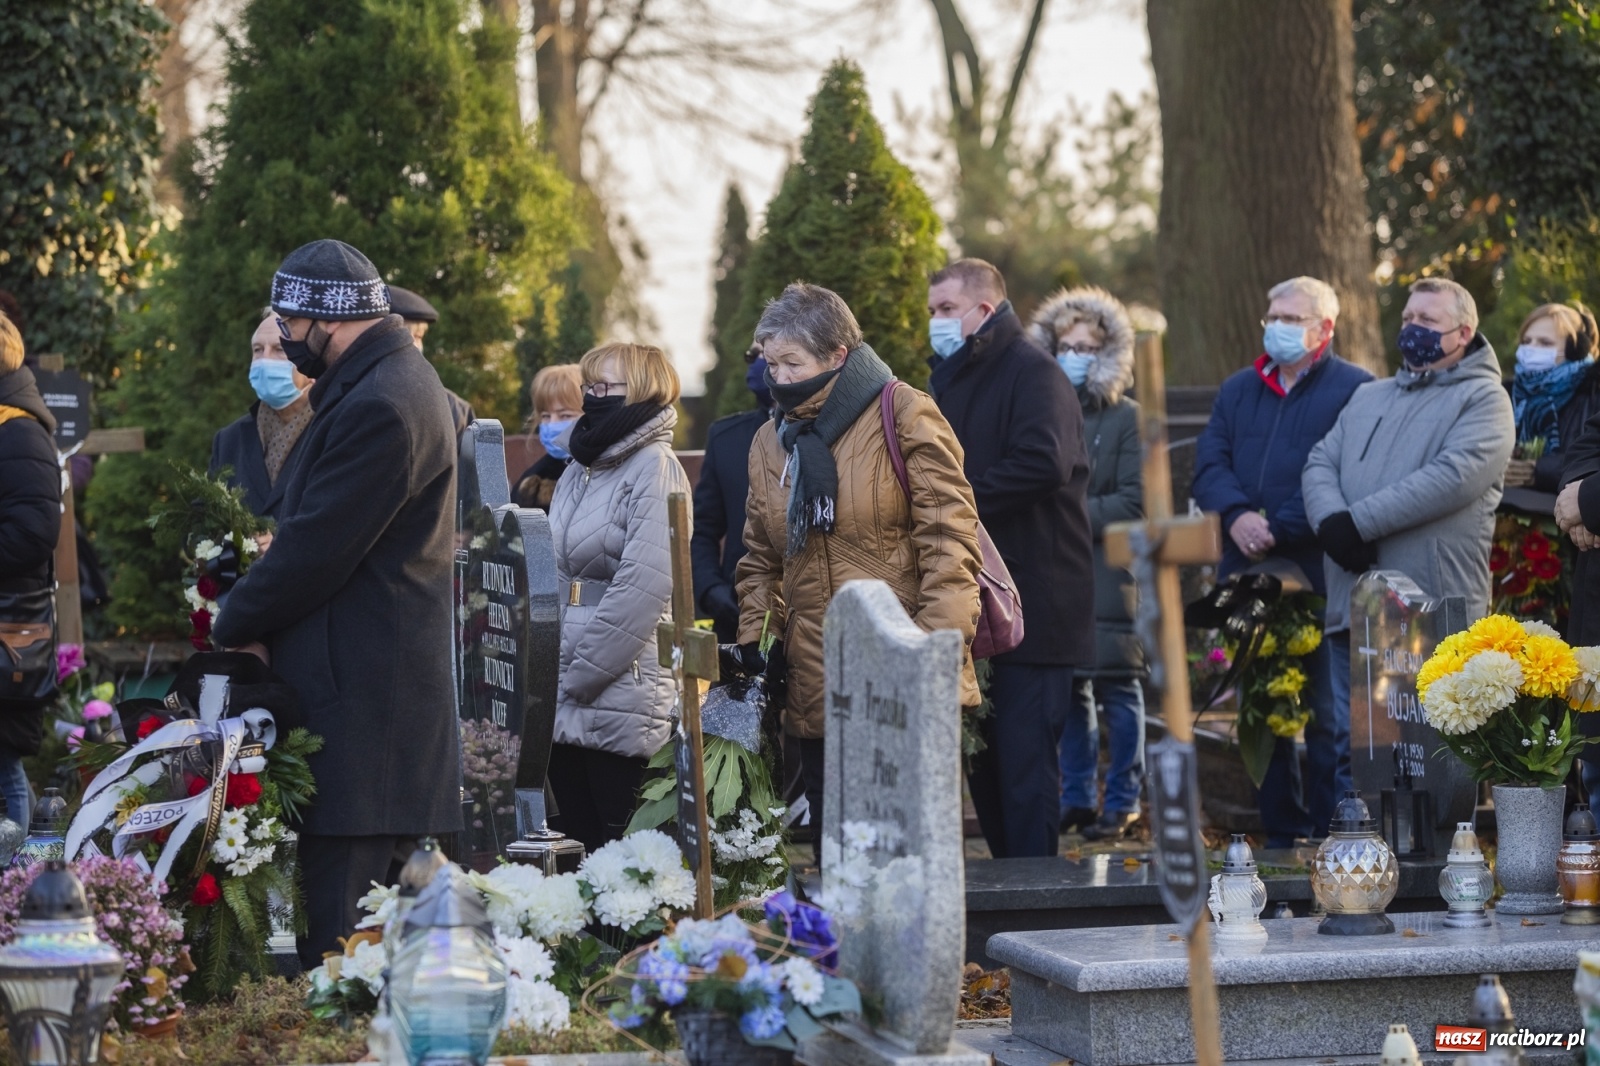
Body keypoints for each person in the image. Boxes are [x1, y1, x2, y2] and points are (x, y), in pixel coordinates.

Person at [210, 239, 462, 967]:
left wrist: (233, 624)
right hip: (364, 710)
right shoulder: (377, 384)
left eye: (288, 325)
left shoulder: (382, 403)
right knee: (369, 956)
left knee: (343, 958)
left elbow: (315, 548)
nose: (284, 341)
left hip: (367, 722)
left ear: (328, 319)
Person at [734, 283, 982, 844]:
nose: (778, 379)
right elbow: (760, 560)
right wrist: (758, 637)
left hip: (899, 672)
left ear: (838, 355)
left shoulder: (905, 412)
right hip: (815, 679)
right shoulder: (769, 442)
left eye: (791, 363)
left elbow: (949, 541)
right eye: (770, 364)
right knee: (840, 855)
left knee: (906, 856)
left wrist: (928, 657)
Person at [1304, 277, 1515, 794]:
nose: (1413, 328)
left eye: (1428, 321)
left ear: (1463, 333)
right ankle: (1354, 863)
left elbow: (1454, 475)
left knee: (1435, 758)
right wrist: (1332, 523)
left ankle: (1442, 868)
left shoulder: (1485, 400)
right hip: (1355, 602)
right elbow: (1319, 461)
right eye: (1407, 318)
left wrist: (1359, 522)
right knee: (1354, 750)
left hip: (1428, 604)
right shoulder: (1368, 395)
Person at [1192, 276, 1372, 846]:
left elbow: (1344, 473)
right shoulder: (1239, 388)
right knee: (1261, 708)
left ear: (1325, 329)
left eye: (1291, 318)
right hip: (1246, 570)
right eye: (1273, 315)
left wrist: (1280, 525)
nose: (1277, 326)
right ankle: (1281, 828)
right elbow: (1209, 463)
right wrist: (1239, 515)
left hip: (1319, 572)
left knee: (1326, 709)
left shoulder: (1355, 389)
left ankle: (1331, 829)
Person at [925, 258, 1092, 859]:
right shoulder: (951, 378)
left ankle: (1038, 912)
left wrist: (953, 503)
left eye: (947, 310)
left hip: (1036, 604)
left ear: (984, 309)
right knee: (988, 777)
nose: (936, 322)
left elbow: (1044, 463)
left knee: (1025, 778)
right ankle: (1008, 909)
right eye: (933, 311)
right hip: (979, 607)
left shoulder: (1034, 373)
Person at [548, 342, 688, 852]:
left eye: (604, 387)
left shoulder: (654, 465)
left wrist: (581, 675)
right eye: (587, 386)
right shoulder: (579, 465)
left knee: (623, 846)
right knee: (575, 839)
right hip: (564, 674)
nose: (591, 396)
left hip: (618, 678)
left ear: (643, 390)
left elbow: (645, 584)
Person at [1028, 287, 1146, 841]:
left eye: (1087, 346)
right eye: (1065, 346)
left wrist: (1063, 510)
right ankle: (1076, 794)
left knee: (1118, 687)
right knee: (1072, 690)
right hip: (1055, 571)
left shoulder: (1126, 418)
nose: (1075, 355)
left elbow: (1132, 499)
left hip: (1106, 569)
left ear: (1108, 353)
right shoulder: (1042, 410)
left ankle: (1123, 798)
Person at [0, 311, 59, 825]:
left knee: (4, 769)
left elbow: (33, 533)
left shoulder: (19, 433)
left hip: (6, 627)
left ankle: (16, 887)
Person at [692, 347, 774, 642]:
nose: (759, 364)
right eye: (753, 355)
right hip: (736, 619)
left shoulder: (834, 437)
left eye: (770, 355)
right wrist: (710, 589)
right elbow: (702, 529)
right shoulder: (726, 438)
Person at [210, 310, 314, 521]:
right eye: (258, 350)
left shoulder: (335, 428)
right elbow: (199, 522)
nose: (264, 360)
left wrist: (278, 544)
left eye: (279, 350)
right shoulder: (230, 439)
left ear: (312, 362)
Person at [1504, 302, 1600, 492]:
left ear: (1576, 349)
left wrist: (1538, 471)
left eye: (1545, 343)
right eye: (1526, 341)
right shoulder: (1508, 392)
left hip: (1568, 516)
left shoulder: (1594, 393)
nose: (1531, 348)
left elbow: (1592, 460)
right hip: (1506, 510)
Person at [388, 284, 476, 438]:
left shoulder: (456, 410)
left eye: (419, 336)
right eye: (416, 336)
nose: (416, 345)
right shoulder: (454, 408)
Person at [513, 364, 584, 511]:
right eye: (545, 416)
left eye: (565, 415)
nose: (552, 425)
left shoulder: (613, 473)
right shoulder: (533, 480)